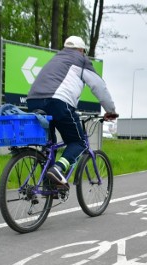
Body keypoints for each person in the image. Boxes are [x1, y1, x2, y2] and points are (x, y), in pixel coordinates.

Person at [27, 35, 118, 186]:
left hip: (33, 101)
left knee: (49, 145)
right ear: (82, 50)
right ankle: (58, 168)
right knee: (79, 141)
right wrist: (110, 110)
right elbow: (98, 86)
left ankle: (47, 184)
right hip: (57, 101)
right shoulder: (81, 60)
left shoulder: (56, 58)